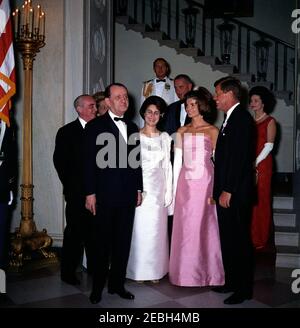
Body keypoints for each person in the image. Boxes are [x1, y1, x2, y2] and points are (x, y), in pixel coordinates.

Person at [85, 83, 143, 304]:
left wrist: (138, 188)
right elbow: (88, 164)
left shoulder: (132, 126)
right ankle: (97, 288)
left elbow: (136, 162)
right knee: (102, 244)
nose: (124, 100)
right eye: (118, 97)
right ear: (107, 101)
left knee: (122, 242)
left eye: (126, 96)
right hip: (104, 195)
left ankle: (117, 285)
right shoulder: (94, 126)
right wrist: (90, 193)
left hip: (127, 195)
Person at [168, 90, 224, 287]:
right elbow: (176, 164)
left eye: (192, 104)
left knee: (205, 226)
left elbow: (219, 163)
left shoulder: (213, 131)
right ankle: (184, 273)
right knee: (186, 227)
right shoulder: (181, 131)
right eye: (187, 105)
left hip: (206, 182)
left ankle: (209, 273)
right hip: (186, 183)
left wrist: (217, 189)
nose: (188, 108)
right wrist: (172, 191)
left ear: (202, 106)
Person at [212, 77, 255, 305]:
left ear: (229, 94)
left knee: (239, 241)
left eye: (217, 93)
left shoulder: (241, 119)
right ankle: (231, 282)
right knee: (228, 239)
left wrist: (228, 189)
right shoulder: (230, 118)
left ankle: (244, 289)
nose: (215, 97)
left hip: (235, 193)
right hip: (227, 191)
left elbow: (240, 160)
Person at [126, 96, 172, 283]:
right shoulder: (134, 137)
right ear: (143, 113)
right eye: (149, 112)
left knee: (157, 230)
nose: (152, 116)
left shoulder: (166, 137)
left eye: (156, 112)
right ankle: (138, 270)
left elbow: (167, 166)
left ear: (161, 115)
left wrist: (169, 192)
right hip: (141, 189)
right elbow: (130, 167)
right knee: (140, 229)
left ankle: (155, 271)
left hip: (159, 188)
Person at [53, 94, 97, 285]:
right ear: (79, 109)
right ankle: (68, 273)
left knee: (95, 233)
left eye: (95, 106)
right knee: (74, 233)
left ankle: (96, 270)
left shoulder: (101, 130)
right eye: (91, 106)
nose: (95, 109)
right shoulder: (66, 132)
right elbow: (60, 163)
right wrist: (75, 188)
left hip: (98, 193)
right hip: (77, 194)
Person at [249, 86, 277, 250]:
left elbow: (269, 146)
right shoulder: (250, 122)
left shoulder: (270, 121)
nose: (252, 103)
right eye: (251, 100)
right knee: (251, 201)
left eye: (256, 101)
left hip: (263, 164)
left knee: (262, 200)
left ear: (263, 103)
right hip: (250, 164)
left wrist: (255, 163)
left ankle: (260, 239)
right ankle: (250, 236)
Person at [0, 118, 17, 270]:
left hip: (2, 188)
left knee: (1, 232)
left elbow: (12, 159)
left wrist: (11, 187)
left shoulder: (8, 123)